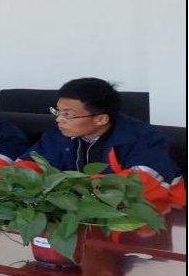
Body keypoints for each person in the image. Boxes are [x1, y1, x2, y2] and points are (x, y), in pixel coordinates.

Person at [16, 78, 183, 206]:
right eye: (57, 111)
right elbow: (25, 166)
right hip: (90, 210)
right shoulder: (59, 135)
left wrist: (66, 186)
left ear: (101, 119)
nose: (59, 119)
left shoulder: (146, 138)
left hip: (159, 213)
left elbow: (137, 185)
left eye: (68, 114)